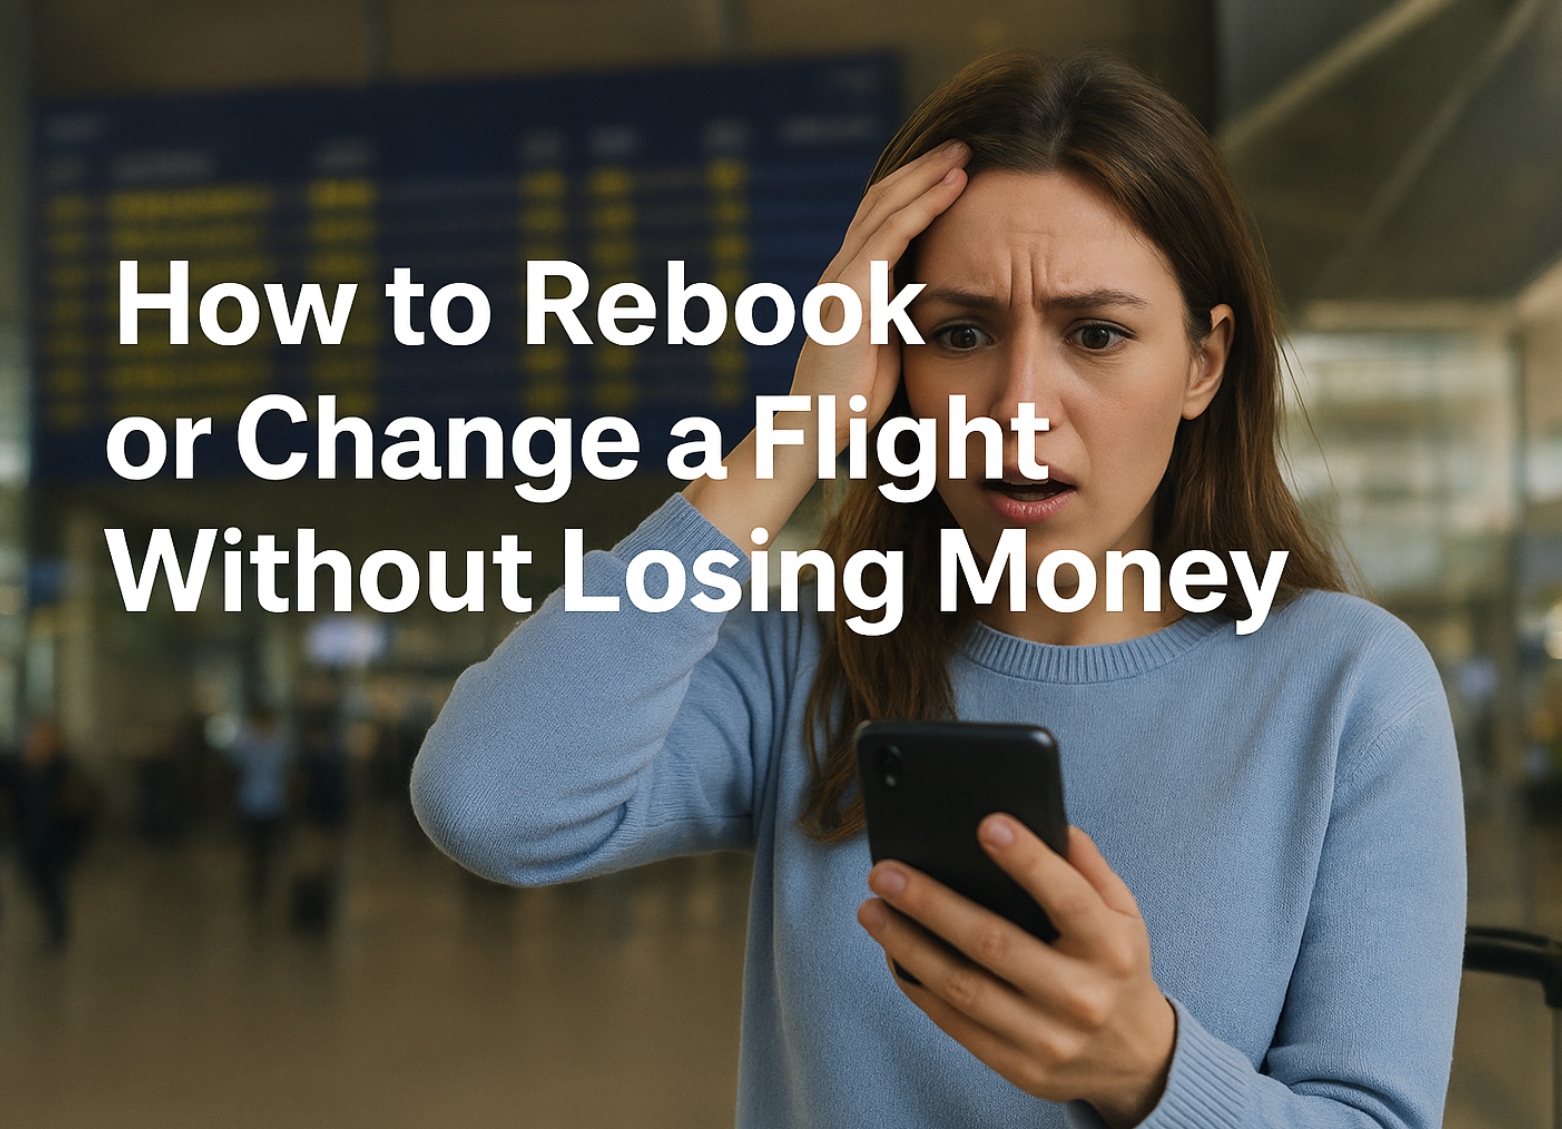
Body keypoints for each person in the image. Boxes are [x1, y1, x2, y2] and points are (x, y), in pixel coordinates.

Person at [411, 52, 1465, 1129]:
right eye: (957, 334)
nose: (1016, 404)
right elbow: (488, 798)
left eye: (1094, 334)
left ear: (1202, 362)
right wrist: (797, 436)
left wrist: (1142, 1068)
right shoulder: (815, 660)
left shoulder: (1346, 688)